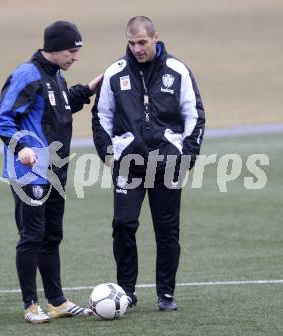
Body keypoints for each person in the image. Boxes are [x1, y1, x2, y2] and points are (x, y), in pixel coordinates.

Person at [92, 16, 205, 311]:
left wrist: (188, 156)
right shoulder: (115, 73)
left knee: (167, 230)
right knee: (123, 225)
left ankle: (166, 293)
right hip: (128, 163)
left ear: (156, 37)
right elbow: (100, 117)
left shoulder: (177, 71)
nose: (137, 48)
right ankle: (126, 293)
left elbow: (195, 115)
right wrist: (107, 151)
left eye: (142, 42)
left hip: (168, 163)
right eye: (132, 43)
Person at [0, 20, 102, 324]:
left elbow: (62, 107)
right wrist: (22, 147)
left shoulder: (56, 76)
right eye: (71, 50)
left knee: (52, 235)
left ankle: (57, 301)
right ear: (53, 49)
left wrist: (91, 87)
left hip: (55, 171)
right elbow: (3, 120)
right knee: (32, 237)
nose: (75, 56)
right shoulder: (27, 75)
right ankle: (31, 305)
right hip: (29, 172)